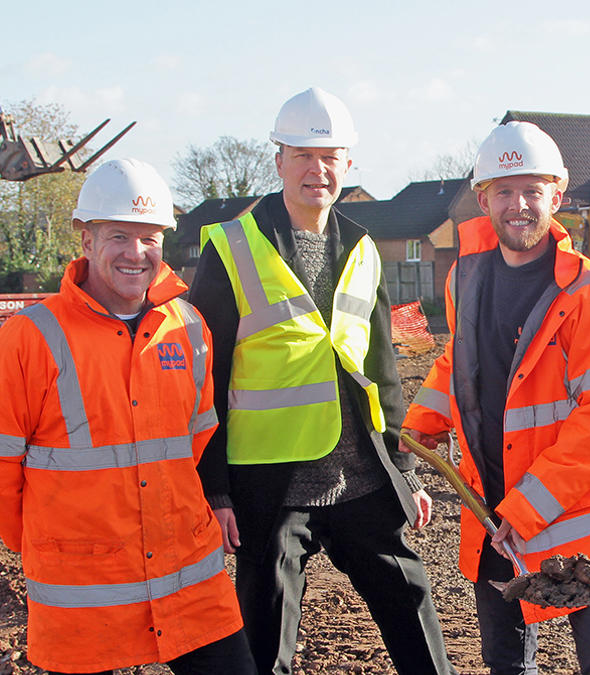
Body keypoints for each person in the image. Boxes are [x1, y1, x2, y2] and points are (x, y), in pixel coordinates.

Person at [187, 87, 454, 675]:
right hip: (272, 485)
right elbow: (206, 379)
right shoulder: (231, 248)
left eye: (330, 156)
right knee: (265, 641)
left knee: (412, 610)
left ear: (348, 165)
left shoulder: (362, 245)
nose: (318, 169)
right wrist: (217, 488)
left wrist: (403, 471)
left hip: (360, 475)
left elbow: (381, 369)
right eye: (304, 155)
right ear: (277, 159)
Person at [0, 158, 254, 674]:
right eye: (119, 236)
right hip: (83, 592)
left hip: (190, 582)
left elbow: (197, 438)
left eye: (149, 238)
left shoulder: (187, 327)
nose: (136, 254)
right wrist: (52, 542)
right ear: (85, 239)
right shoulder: (27, 341)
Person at [400, 121, 590, 675]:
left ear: (556, 196)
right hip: (493, 508)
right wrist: (423, 422)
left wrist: (530, 505)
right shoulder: (466, 276)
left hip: (579, 521)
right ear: (482, 197)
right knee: (505, 661)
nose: (519, 205)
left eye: (532, 191)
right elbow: (461, 365)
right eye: (504, 191)